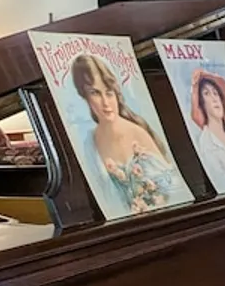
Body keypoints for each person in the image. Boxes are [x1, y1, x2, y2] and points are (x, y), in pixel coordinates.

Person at [71, 53, 186, 214]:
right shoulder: (90, 142)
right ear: (85, 96)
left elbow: (175, 193)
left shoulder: (137, 133)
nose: (105, 103)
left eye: (109, 92)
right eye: (95, 93)